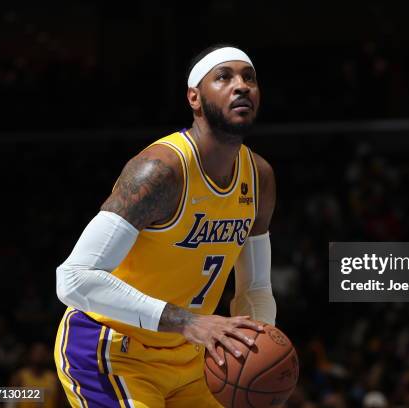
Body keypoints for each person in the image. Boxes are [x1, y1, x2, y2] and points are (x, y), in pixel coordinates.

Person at [53, 44, 277, 407]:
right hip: (112, 352)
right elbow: (74, 277)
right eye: (224, 77)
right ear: (194, 98)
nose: (242, 86)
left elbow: (255, 287)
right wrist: (190, 321)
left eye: (249, 77)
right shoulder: (160, 171)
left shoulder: (260, 177)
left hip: (191, 356)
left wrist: (256, 341)